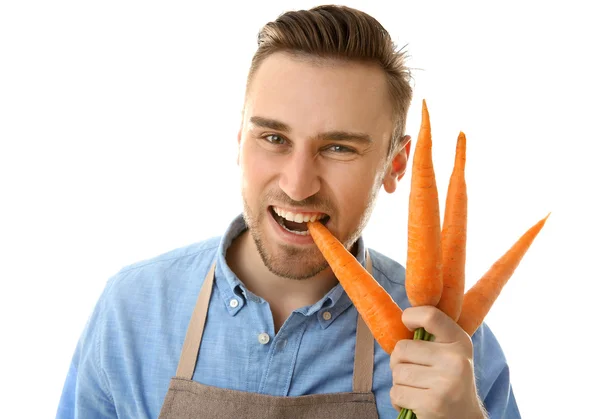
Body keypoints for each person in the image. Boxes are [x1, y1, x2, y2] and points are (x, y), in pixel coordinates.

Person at [56, 5, 520, 419]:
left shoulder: (453, 347)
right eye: (274, 138)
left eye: (338, 148)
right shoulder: (132, 311)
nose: (298, 185)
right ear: (241, 140)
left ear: (394, 165)